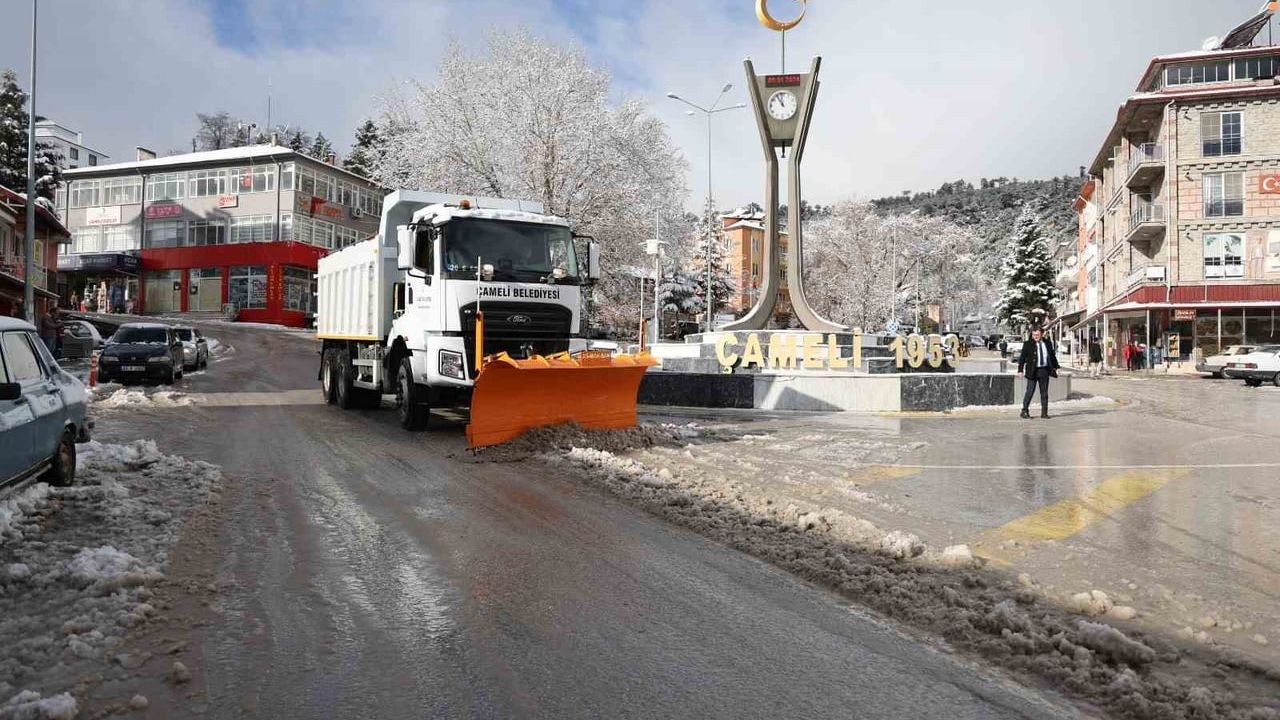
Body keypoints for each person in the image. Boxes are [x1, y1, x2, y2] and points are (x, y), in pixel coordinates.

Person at [1017, 326, 1060, 419]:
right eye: (1034, 335)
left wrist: (1057, 367)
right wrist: (1020, 370)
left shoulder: (1047, 343)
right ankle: (1024, 411)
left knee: (1044, 393)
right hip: (1032, 370)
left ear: (1042, 334)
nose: (1035, 336)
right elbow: (1022, 358)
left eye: (1037, 335)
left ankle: (1044, 413)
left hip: (1044, 370)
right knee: (1030, 391)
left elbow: (1052, 356)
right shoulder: (1028, 344)